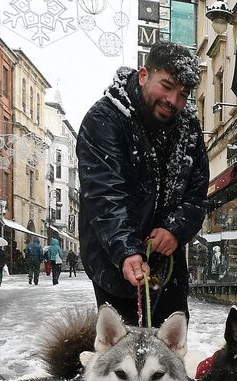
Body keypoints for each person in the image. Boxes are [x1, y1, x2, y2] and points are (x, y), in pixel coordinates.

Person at [77, 41, 208, 326]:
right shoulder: (104, 119)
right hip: (113, 264)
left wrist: (175, 229)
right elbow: (104, 194)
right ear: (143, 75)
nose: (173, 100)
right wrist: (127, 249)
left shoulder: (189, 129)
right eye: (167, 85)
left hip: (168, 268)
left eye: (183, 94)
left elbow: (197, 196)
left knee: (169, 354)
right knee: (122, 355)